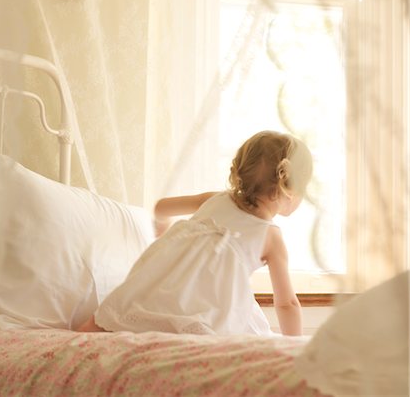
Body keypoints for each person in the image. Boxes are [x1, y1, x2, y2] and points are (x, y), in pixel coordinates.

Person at [77, 130, 313, 336]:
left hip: (155, 289)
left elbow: (162, 207)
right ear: (289, 188)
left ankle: (88, 332)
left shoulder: (216, 199)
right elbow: (287, 304)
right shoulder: (271, 238)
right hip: (202, 308)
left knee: (119, 311)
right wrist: (294, 346)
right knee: (216, 326)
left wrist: (163, 226)